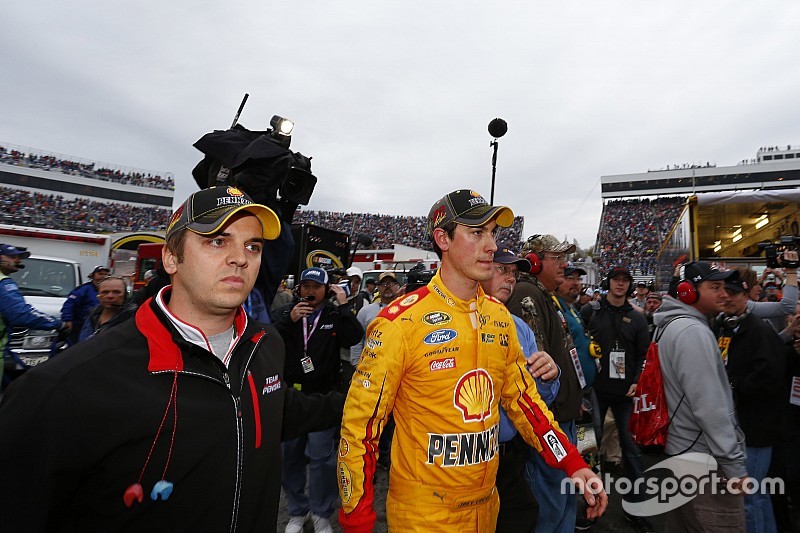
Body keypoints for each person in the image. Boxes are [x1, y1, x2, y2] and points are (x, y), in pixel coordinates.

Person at [0, 186, 345, 532]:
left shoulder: (266, 344)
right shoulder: (64, 388)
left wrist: (360, 401)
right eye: (217, 241)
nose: (241, 258)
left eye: (252, 246)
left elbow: (272, 410)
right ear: (170, 258)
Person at [337, 190, 606, 532]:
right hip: (424, 517)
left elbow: (525, 403)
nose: (491, 245)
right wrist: (356, 520)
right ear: (442, 239)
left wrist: (573, 463)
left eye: (493, 232)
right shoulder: (399, 323)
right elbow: (360, 428)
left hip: (486, 509)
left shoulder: (500, 318)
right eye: (477, 232)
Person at [653, 261, 747, 530]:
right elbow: (710, 408)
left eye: (724, 287)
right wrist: (734, 465)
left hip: (681, 454)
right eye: (714, 287)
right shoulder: (692, 332)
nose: (724, 293)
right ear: (687, 292)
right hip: (703, 463)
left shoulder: (673, 325)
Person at [274, 267, 364, 533]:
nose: (310, 292)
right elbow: (268, 340)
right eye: (306, 286)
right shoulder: (286, 313)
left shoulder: (334, 314)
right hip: (292, 396)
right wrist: (288, 320)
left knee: (322, 459)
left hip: (323, 397)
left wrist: (344, 304)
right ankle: (297, 511)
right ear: (299, 288)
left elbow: (355, 336)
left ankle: (321, 512)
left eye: (316, 287)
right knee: (289, 459)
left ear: (327, 290)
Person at [506, 234, 586, 533]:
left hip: (561, 414)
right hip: (547, 420)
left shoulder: (544, 295)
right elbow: (535, 371)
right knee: (550, 507)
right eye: (558, 258)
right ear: (535, 262)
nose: (565, 265)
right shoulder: (527, 294)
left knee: (562, 501)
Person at [479, 244, 560, 533]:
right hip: (470, 457)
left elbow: (538, 397)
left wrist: (550, 375)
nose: (511, 278)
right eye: (503, 270)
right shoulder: (459, 323)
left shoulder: (519, 327)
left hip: (511, 453)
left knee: (522, 516)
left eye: (514, 273)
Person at [581, 266, 652, 533]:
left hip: (625, 394)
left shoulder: (637, 318)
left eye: (625, 281)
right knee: (587, 448)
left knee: (632, 452)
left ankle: (638, 508)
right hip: (594, 390)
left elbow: (644, 355)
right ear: (608, 283)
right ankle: (584, 505)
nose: (620, 284)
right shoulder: (590, 312)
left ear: (630, 285)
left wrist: (636, 380)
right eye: (616, 280)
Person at [716, 270, 785, 533]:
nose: (726, 298)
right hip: (743, 426)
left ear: (746, 296)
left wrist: (732, 384)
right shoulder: (726, 326)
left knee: (748, 496)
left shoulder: (757, 330)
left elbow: (769, 380)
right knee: (757, 494)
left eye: (733, 293)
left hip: (756, 429)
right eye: (723, 292)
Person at [0, 243, 63, 383]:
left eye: (19, 257)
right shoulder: (3, 283)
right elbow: (21, 314)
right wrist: (58, 324)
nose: (18, 260)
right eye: (12, 256)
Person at [60, 264, 110, 345]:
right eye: (100, 274)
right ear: (92, 276)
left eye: (106, 274)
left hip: (100, 327)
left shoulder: (110, 291)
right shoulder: (83, 289)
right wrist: (67, 320)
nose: (103, 276)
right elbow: (69, 305)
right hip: (80, 326)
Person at [77, 276, 137, 342]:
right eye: (105, 292)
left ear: (126, 295)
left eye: (116, 292)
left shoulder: (133, 318)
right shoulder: (92, 314)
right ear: (98, 295)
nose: (110, 296)